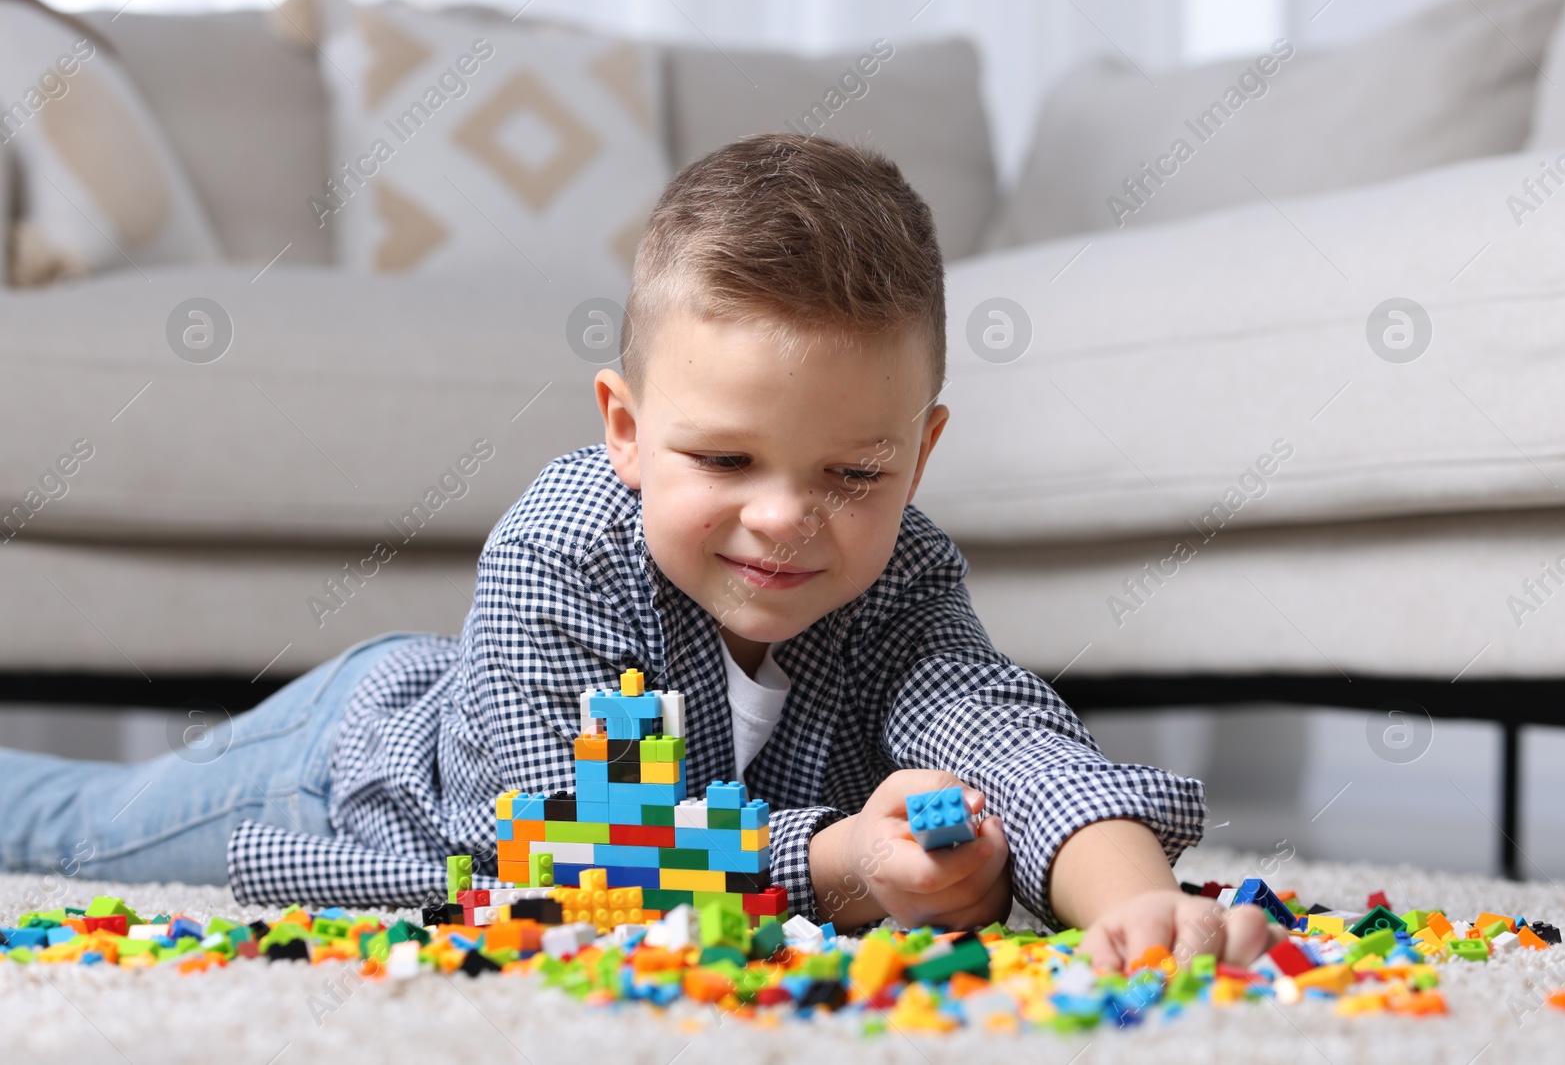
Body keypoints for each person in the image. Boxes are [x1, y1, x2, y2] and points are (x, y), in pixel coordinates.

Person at [0, 134, 1281, 969]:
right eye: (724, 462)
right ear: (624, 426)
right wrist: (842, 865)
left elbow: (1003, 733)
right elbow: (566, 853)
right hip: (346, 768)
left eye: (853, 473)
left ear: (921, 453)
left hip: (527, 784)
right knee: (76, 823)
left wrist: (1124, 900)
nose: (786, 518)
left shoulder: (906, 578)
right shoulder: (557, 553)